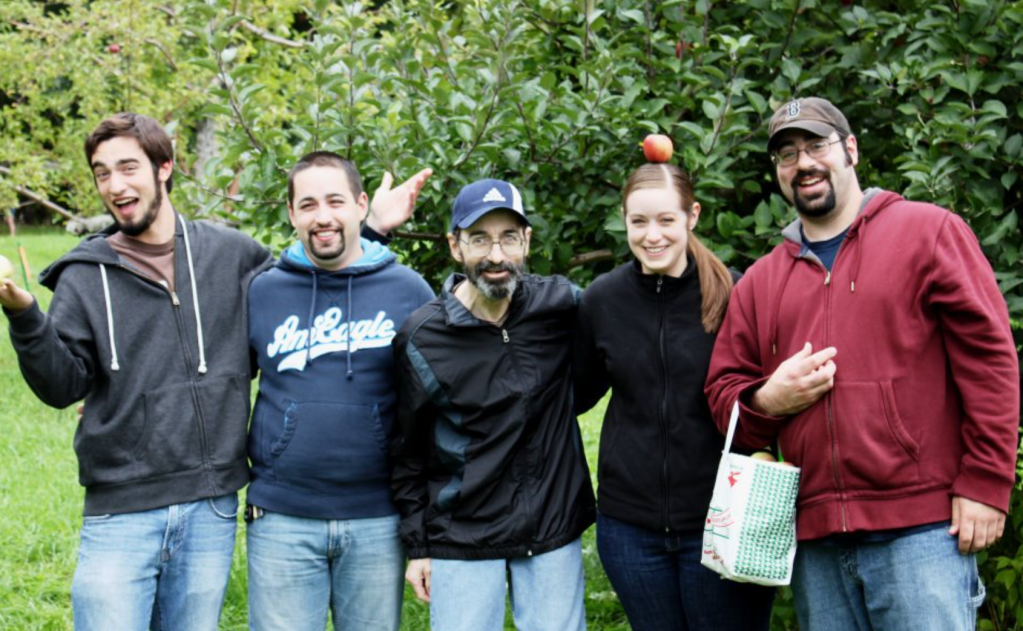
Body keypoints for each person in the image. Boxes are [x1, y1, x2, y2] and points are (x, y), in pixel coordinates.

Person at [0, 112, 427, 631]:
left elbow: (322, 272)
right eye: (102, 173)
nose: (115, 185)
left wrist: (370, 229)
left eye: (128, 167)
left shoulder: (232, 255)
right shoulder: (85, 274)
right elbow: (62, 385)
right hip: (126, 504)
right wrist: (25, 313)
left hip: (211, 507)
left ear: (164, 167)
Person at [705, 97, 1020, 631]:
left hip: (924, 532)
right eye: (787, 154)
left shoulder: (928, 233)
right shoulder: (760, 281)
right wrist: (767, 400)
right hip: (816, 544)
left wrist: (986, 482)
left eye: (816, 145)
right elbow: (722, 392)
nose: (803, 163)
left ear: (850, 149)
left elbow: (990, 360)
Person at [574, 162, 775, 631]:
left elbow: (765, 396)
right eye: (638, 221)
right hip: (630, 529)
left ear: (692, 216)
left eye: (666, 219)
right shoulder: (602, 300)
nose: (652, 235)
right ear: (623, 220)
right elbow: (574, 394)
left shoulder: (735, 292)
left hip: (723, 520)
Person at [391, 179, 595, 631]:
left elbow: (616, 339)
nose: (497, 255)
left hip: (551, 524)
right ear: (455, 246)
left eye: (508, 238)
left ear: (527, 241)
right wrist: (418, 545)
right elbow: (407, 451)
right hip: (462, 531)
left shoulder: (560, 305)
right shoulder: (422, 338)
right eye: (480, 238)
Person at [245, 151, 434, 631]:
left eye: (335, 201)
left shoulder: (408, 290)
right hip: (281, 515)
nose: (322, 216)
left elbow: (437, 404)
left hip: (376, 518)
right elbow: (219, 382)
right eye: (308, 205)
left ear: (360, 205)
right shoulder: (263, 292)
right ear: (291, 213)